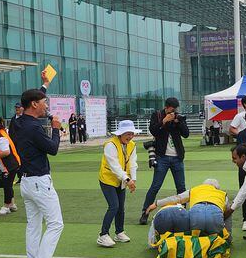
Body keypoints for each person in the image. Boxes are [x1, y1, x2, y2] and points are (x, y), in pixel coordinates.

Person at [13, 82, 64, 258]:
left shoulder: (17, 122)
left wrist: (44, 86)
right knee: (56, 224)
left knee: (33, 226)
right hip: (40, 182)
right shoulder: (34, 128)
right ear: (34, 104)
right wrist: (56, 130)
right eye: (44, 102)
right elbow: (52, 148)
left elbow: (31, 100)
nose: (46, 105)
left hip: (26, 182)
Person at [140, 97, 190, 225]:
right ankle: (145, 212)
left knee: (181, 187)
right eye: (171, 110)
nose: (173, 113)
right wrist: (164, 121)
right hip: (162, 157)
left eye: (175, 110)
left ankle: (183, 214)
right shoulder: (156, 115)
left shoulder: (177, 117)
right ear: (166, 107)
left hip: (177, 157)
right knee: (155, 186)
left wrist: (178, 122)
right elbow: (153, 131)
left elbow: (186, 134)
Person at [97, 120, 140, 248]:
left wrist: (133, 179)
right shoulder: (110, 145)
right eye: (127, 133)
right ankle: (103, 235)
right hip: (108, 179)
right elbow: (114, 166)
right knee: (114, 206)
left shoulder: (132, 145)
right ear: (120, 134)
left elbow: (133, 163)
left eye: (131, 133)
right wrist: (128, 180)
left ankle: (119, 232)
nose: (130, 136)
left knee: (121, 207)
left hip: (122, 179)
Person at [146, 179, 231, 237]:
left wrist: (157, 203)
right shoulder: (223, 194)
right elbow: (227, 216)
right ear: (217, 188)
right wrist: (228, 237)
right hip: (215, 216)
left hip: (196, 216)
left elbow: (176, 198)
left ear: (203, 185)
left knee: (196, 237)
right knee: (215, 238)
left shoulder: (195, 190)